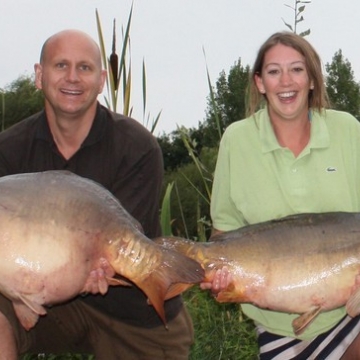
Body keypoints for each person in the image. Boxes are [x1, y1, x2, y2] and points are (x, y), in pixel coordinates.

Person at [0, 29, 193, 360]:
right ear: (39, 74)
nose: (72, 77)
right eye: (61, 65)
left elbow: (123, 243)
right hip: (48, 303)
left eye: (85, 68)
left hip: (131, 308)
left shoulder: (137, 145)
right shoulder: (9, 148)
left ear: (102, 79)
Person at [206, 31, 360, 359]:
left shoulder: (347, 130)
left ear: (312, 80)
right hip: (275, 319)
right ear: (260, 83)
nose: (286, 81)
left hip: (351, 313)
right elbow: (222, 233)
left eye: (297, 70)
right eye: (274, 71)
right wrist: (219, 276)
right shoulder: (236, 140)